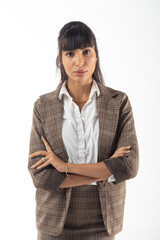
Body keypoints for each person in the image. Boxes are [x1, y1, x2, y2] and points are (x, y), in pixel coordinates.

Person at [28, 21, 139, 240]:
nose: (80, 61)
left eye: (86, 52)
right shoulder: (43, 106)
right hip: (53, 220)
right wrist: (106, 170)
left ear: (96, 55)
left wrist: (65, 167)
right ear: (61, 59)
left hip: (103, 218)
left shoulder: (118, 102)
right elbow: (40, 176)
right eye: (70, 53)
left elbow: (128, 166)